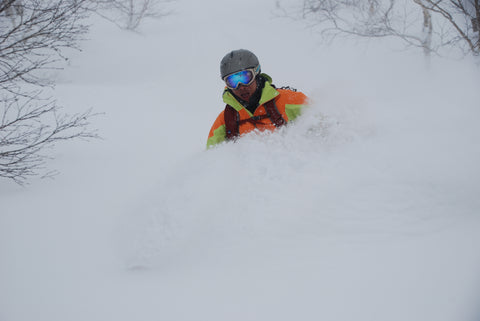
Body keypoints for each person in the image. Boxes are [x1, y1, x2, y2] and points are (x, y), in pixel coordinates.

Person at [207, 49, 308, 148]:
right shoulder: (226, 120)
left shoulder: (289, 101)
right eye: (232, 82)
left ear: (256, 73)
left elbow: (320, 124)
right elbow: (212, 160)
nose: (241, 86)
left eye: (245, 77)